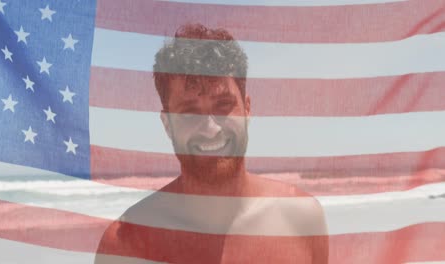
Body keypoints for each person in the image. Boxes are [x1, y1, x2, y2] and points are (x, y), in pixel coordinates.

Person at [94, 23, 328, 264]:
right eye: (190, 112)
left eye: (223, 106)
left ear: (247, 109)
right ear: (167, 123)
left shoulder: (300, 219)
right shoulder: (127, 245)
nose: (210, 129)